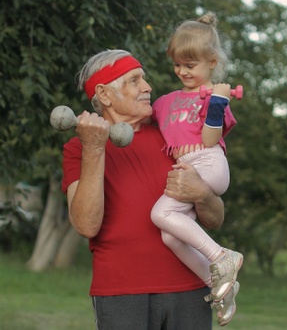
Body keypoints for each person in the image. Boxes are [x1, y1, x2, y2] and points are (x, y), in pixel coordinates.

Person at [62, 49, 227, 330]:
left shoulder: (173, 138)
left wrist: (202, 193)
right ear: (104, 95)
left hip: (190, 288)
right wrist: (94, 147)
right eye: (135, 80)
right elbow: (87, 225)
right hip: (122, 293)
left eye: (144, 79)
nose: (148, 87)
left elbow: (215, 218)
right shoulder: (79, 148)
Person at [149, 11, 242, 326]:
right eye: (177, 64)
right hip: (189, 168)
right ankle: (219, 285)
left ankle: (221, 257)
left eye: (191, 65)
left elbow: (209, 137)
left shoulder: (214, 98)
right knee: (171, 237)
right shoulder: (166, 102)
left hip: (208, 163)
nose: (182, 71)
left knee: (159, 214)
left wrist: (218, 102)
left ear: (212, 62)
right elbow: (141, 119)